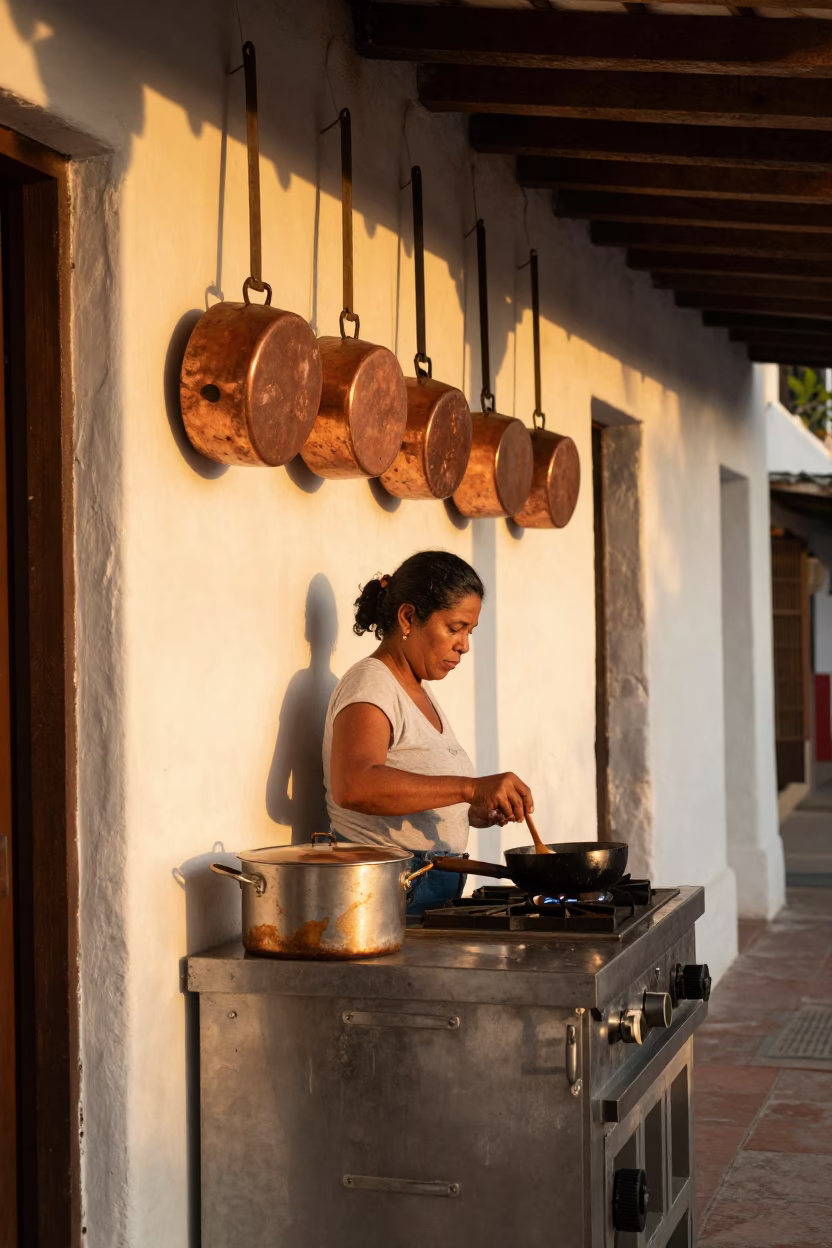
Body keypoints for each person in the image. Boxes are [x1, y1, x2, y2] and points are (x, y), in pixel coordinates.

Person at [322, 550, 534, 915]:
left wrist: (467, 809)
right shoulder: (372, 683)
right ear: (408, 617)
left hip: (425, 886)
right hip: (384, 895)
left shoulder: (417, 688)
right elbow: (354, 785)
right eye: (454, 628)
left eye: (470, 631)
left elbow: (413, 787)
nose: (464, 645)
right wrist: (469, 788)